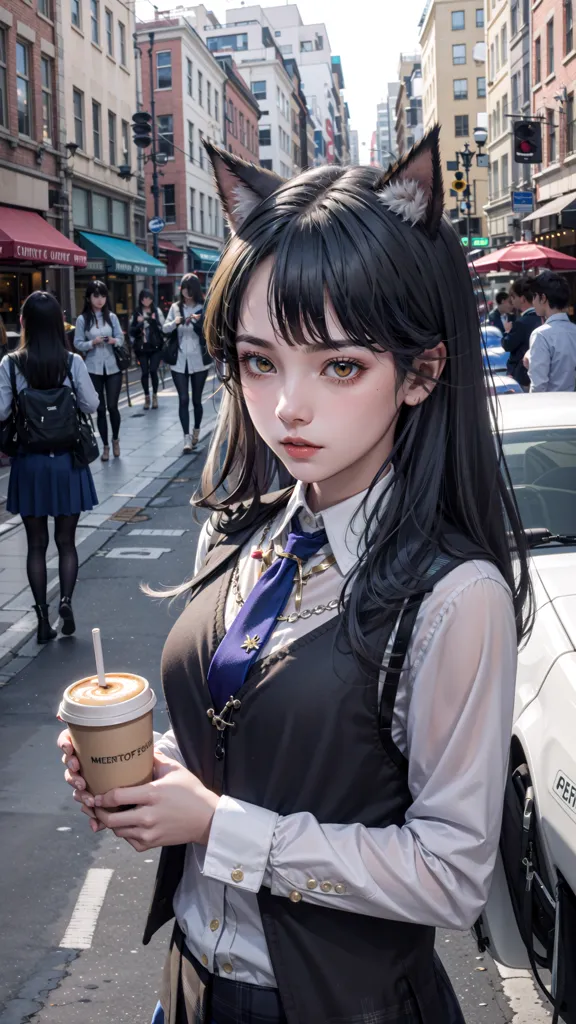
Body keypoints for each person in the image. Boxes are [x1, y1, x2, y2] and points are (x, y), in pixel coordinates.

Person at [58, 129, 532, 1024]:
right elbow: (257, 759)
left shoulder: (455, 597)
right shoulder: (246, 533)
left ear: (422, 371)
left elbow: (453, 874)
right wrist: (148, 781)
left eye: (340, 364)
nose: (288, 407)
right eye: (258, 361)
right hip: (192, 991)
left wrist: (218, 827)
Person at [0, 292, 99, 643]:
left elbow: (0, 412)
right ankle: (67, 602)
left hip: (30, 464)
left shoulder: (11, 364)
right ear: (60, 323)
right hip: (67, 463)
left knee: (36, 544)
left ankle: (42, 619)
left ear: (23, 322)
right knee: (67, 543)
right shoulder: (71, 361)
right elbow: (91, 402)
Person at [74, 281, 125, 461]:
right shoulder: (82, 320)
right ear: (88, 298)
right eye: (96, 296)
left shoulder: (112, 317)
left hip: (112, 366)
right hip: (93, 368)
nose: (100, 299)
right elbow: (77, 343)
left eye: (103, 295)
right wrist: (92, 343)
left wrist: (113, 340)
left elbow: (121, 338)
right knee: (100, 409)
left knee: (113, 406)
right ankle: (105, 446)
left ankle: (116, 439)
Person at [162, 273, 211, 453]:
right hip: (179, 360)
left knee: (197, 400)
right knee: (183, 399)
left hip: (199, 360)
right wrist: (175, 322)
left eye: (189, 288)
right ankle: (186, 439)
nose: (186, 292)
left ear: (195, 289)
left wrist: (198, 322)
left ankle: (196, 431)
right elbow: (165, 328)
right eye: (183, 288)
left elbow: (209, 331)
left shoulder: (203, 307)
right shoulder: (175, 307)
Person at [523, 271, 576, 392]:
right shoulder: (574, 330)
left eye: (534, 296)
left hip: (550, 406)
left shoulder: (541, 335)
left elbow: (538, 386)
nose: (533, 302)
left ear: (543, 298)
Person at [501, 276, 541, 389]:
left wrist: (507, 332)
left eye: (513, 297)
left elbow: (507, 345)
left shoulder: (521, 323)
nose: (512, 301)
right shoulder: (542, 319)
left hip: (521, 376)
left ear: (522, 299)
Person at [129, 290, 166, 409]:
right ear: (140, 299)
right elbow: (131, 331)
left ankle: (155, 395)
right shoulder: (136, 313)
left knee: (153, 370)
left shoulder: (156, 311)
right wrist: (139, 324)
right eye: (144, 298)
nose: (147, 301)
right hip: (142, 347)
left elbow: (163, 328)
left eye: (149, 298)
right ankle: (147, 397)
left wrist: (154, 321)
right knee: (145, 372)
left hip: (155, 347)